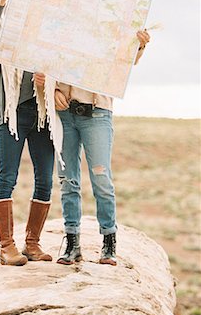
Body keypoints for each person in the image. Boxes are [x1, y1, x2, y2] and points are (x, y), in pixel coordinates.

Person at [53, 19, 150, 265]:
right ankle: (72, 242)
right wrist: (52, 91)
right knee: (67, 180)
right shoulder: (61, 33)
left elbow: (126, 62)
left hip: (97, 114)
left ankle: (109, 242)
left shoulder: (112, 34)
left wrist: (139, 46)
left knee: (101, 180)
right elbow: (46, 66)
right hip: (64, 114)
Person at [0, 0, 55, 266]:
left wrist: (46, 83)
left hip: (41, 117)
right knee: (7, 177)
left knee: (45, 180)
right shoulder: (6, 41)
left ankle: (32, 244)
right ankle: (6, 246)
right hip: (11, 116)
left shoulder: (46, 46)